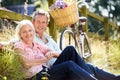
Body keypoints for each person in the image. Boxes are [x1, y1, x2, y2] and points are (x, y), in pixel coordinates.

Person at [14, 19, 120, 80]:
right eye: (24, 32)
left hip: (47, 70)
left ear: (33, 31)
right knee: (69, 65)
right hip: (37, 76)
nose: (28, 34)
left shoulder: (36, 44)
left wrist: (52, 53)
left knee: (70, 49)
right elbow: (26, 63)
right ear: (20, 34)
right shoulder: (19, 46)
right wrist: (44, 59)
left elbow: (54, 53)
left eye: (30, 30)